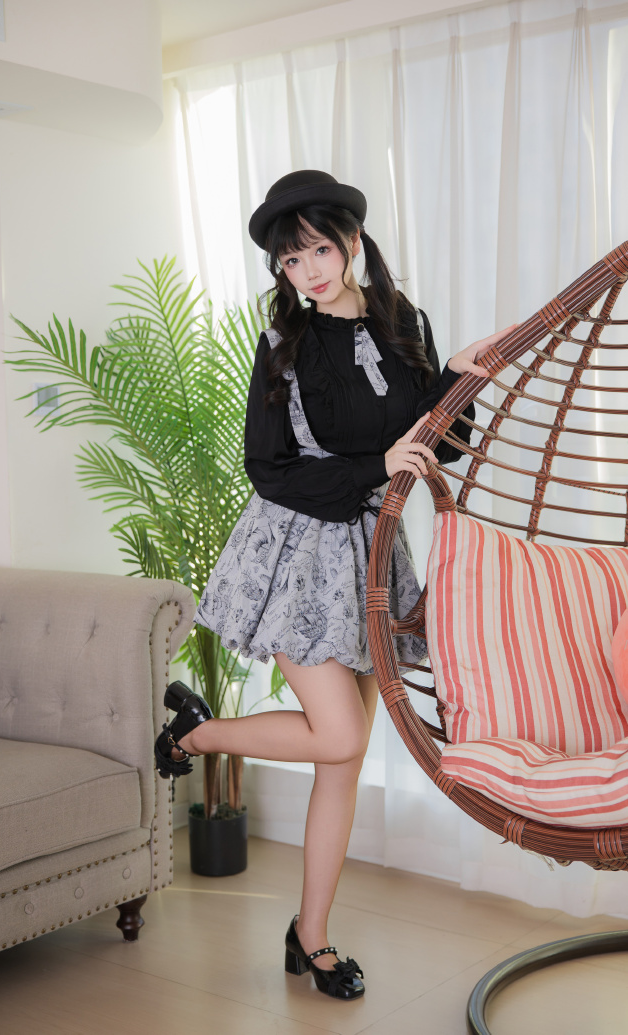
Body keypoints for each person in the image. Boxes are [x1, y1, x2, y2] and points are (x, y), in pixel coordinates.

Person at [154, 170, 511, 1001]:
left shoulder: (402, 322)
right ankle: (195, 736)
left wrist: (457, 379)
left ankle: (309, 937)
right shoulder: (284, 343)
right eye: (291, 259)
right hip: (294, 551)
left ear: (351, 242)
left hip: (371, 553)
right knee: (341, 735)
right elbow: (267, 467)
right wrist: (372, 467)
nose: (308, 271)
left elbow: (434, 446)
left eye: (318, 249)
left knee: (341, 765)